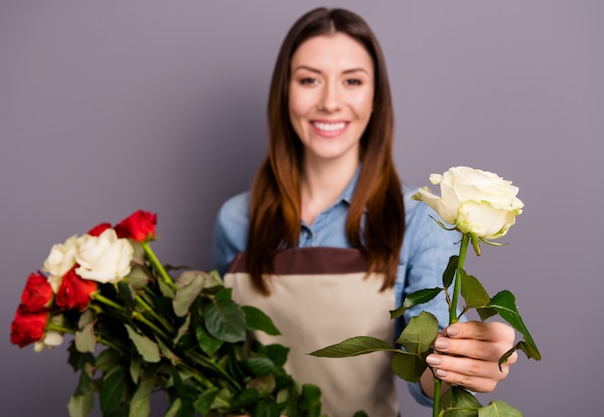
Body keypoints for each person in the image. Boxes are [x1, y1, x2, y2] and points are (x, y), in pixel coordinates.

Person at [211, 7, 517, 417]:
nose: (330, 101)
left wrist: (465, 361)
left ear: (375, 99)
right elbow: (224, 353)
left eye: (352, 81)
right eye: (308, 80)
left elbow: (426, 371)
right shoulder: (235, 220)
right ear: (285, 93)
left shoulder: (418, 220)